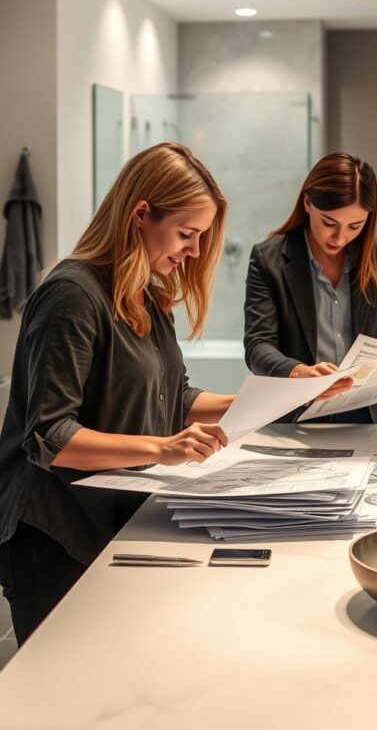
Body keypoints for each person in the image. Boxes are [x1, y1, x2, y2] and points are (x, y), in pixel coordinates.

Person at [0, 143, 234, 646]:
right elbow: (49, 436)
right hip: (53, 533)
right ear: (141, 215)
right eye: (187, 234)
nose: (194, 251)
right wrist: (163, 449)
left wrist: (267, 401)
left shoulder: (147, 294)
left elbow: (175, 395)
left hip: (108, 521)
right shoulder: (71, 295)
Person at [244, 152, 377, 423]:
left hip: (362, 414)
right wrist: (299, 373)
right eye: (329, 223)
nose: (340, 237)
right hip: (293, 414)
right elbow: (258, 345)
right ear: (307, 203)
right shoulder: (268, 258)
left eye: (355, 225)